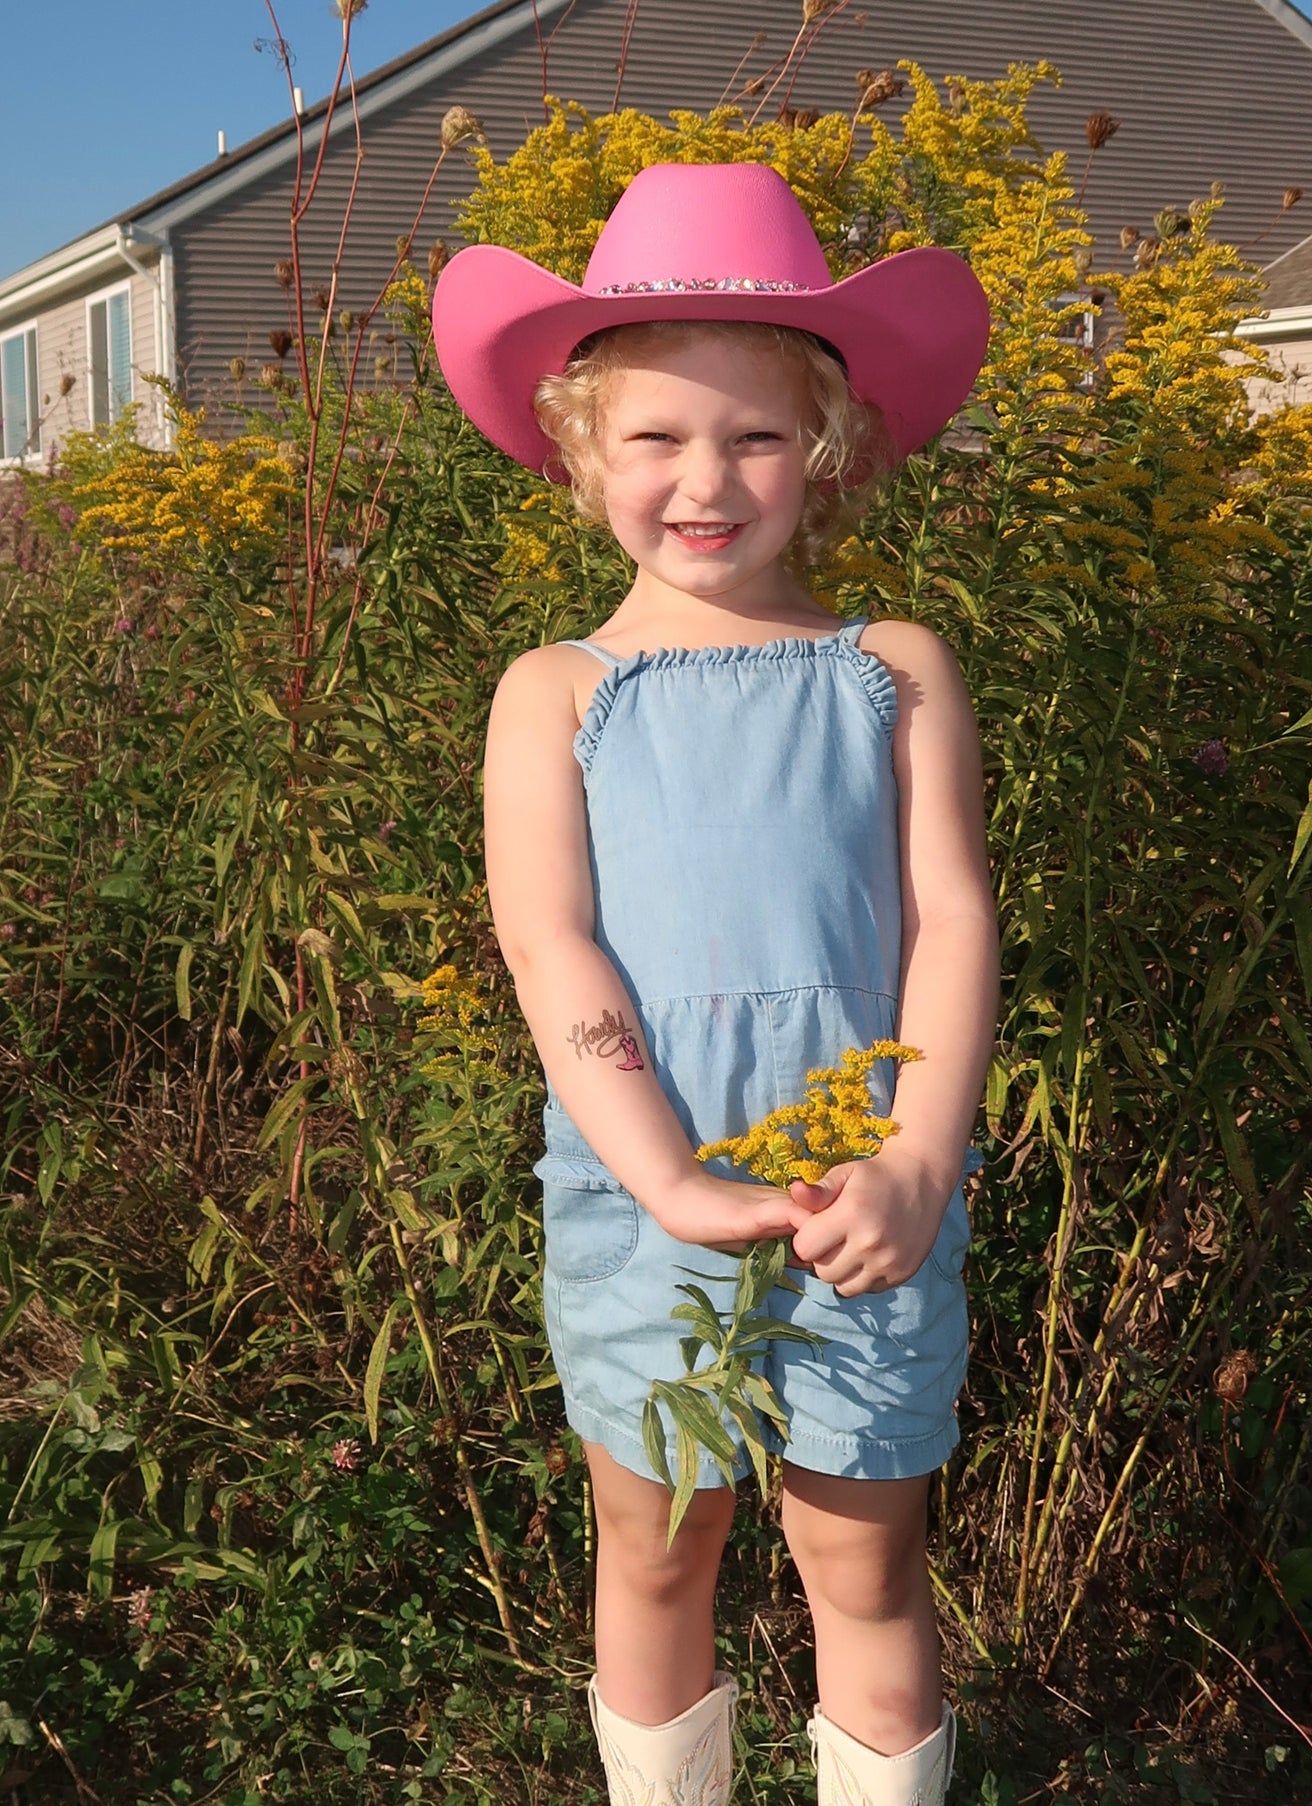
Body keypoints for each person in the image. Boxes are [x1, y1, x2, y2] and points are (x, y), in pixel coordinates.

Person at [432, 161, 999, 1806]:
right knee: (657, 1548)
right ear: (576, 447)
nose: (705, 479)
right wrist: (668, 1175)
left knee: (864, 1563)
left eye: (753, 437)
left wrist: (916, 1156)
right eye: (657, 437)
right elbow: (554, 945)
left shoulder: (891, 669)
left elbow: (950, 919)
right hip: (637, 1191)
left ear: (822, 451)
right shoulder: (554, 690)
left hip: (867, 1193)